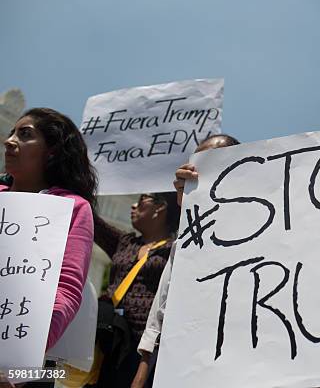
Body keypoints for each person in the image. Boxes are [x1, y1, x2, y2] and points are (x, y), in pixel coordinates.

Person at [130, 134, 240, 388]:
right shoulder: (185, 242)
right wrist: (144, 368)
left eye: (210, 161)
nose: (193, 171)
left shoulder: (263, 229)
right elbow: (162, 307)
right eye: (194, 162)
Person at [1, 107, 97, 387]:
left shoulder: (73, 208)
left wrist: (19, 359)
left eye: (25, 135)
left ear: (52, 151)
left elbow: (67, 288)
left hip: (30, 365)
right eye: (11, 133)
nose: (9, 141)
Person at [92, 191, 180, 387]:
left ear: (160, 207)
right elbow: (93, 222)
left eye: (141, 201)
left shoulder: (175, 251)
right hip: (108, 337)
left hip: (139, 348)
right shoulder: (125, 242)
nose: (133, 206)